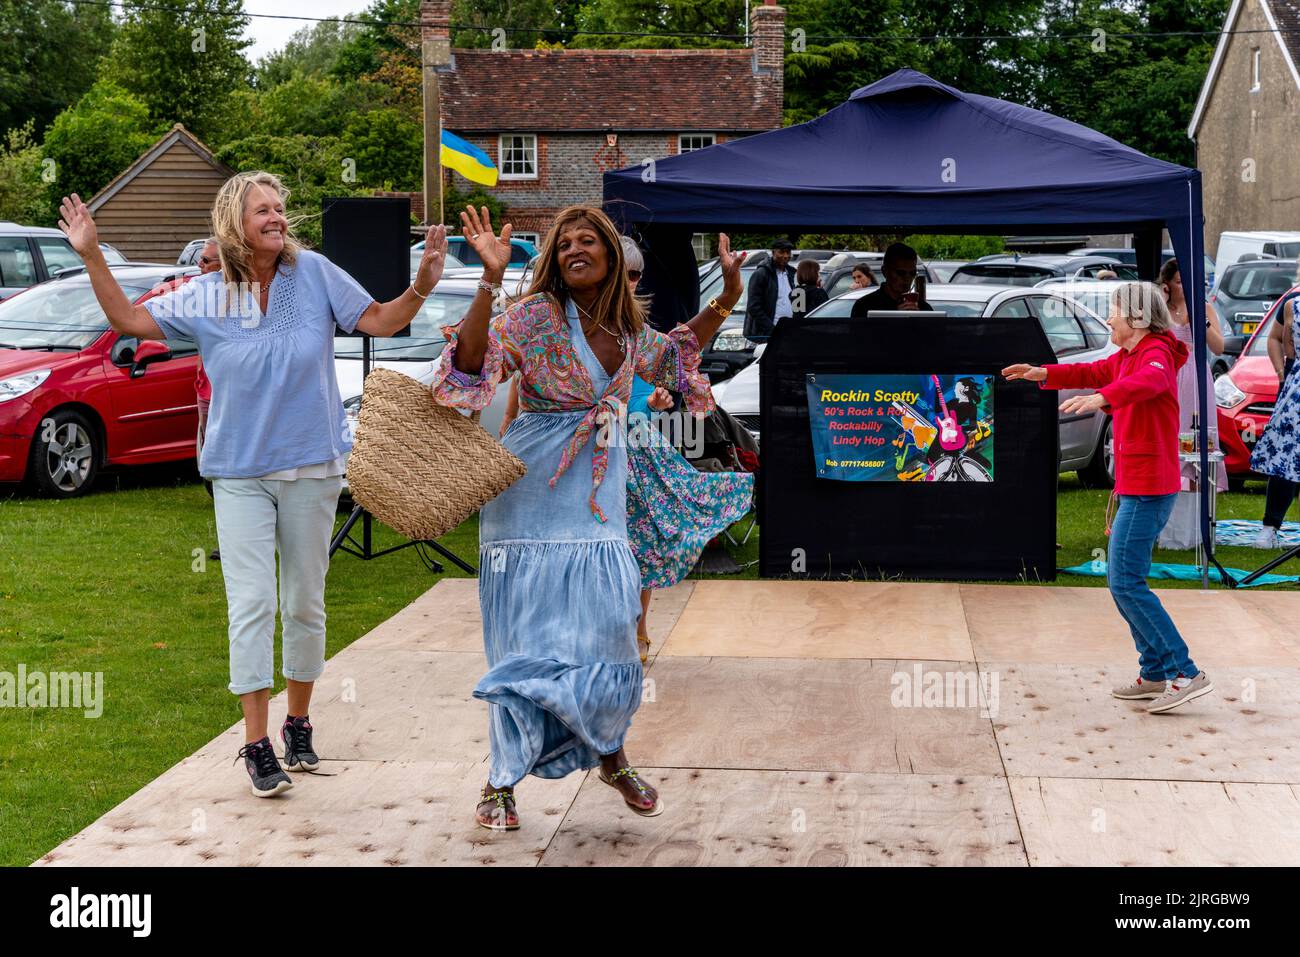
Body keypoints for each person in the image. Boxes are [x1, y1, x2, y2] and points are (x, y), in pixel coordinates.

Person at [58, 173, 451, 796]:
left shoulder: (315, 273)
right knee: (251, 604)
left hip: (312, 468)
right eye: (262, 209)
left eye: (279, 207)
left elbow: (379, 320)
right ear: (233, 223)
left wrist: (424, 282)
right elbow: (128, 318)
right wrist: (90, 252)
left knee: (303, 601)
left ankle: (299, 722)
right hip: (238, 471)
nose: (276, 217)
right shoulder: (206, 294)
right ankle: (255, 742)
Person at [430, 205, 745, 830]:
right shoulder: (532, 318)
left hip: (598, 497)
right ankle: (500, 784)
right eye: (564, 243)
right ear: (554, 260)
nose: (575, 249)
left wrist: (729, 293)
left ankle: (610, 752)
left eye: (587, 241)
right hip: (527, 500)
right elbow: (471, 368)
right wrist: (489, 282)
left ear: (609, 256)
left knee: (611, 632)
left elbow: (680, 350)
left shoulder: (631, 333)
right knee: (523, 642)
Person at [1003, 282, 1213, 714]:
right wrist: (1044, 374)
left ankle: (1185, 671)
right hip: (1138, 484)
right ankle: (1155, 671)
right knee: (1124, 583)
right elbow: (1093, 371)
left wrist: (1104, 397)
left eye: (1114, 311)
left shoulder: (1154, 353)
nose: (1110, 319)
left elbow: (1150, 381)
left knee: (1126, 583)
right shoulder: (1129, 356)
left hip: (1149, 487)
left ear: (1136, 318)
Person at [1251, 293, 1300, 547]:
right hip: (1293, 384)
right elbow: (1277, 341)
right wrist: (1282, 374)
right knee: (1285, 456)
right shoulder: (1291, 303)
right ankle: (1270, 526)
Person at [193, 239, 222, 561]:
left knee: (225, 469)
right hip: (204, 391)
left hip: (224, 396)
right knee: (210, 466)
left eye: (206, 261)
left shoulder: (232, 301)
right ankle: (230, 537)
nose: (199, 266)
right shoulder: (199, 297)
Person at [850, 243, 932, 317]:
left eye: (912, 273)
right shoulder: (864, 306)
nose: (907, 278)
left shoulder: (923, 308)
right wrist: (894, 320)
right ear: (885, 272)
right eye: (901, 273)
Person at [743, 238, 795, 340]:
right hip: (767, 335)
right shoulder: (761, 274)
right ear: (773, 252)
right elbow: (753, 307)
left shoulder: (792, 273)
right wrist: (772, 329)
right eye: (781, 252)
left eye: (788, 252)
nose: (785, 256)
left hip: (788, 332)